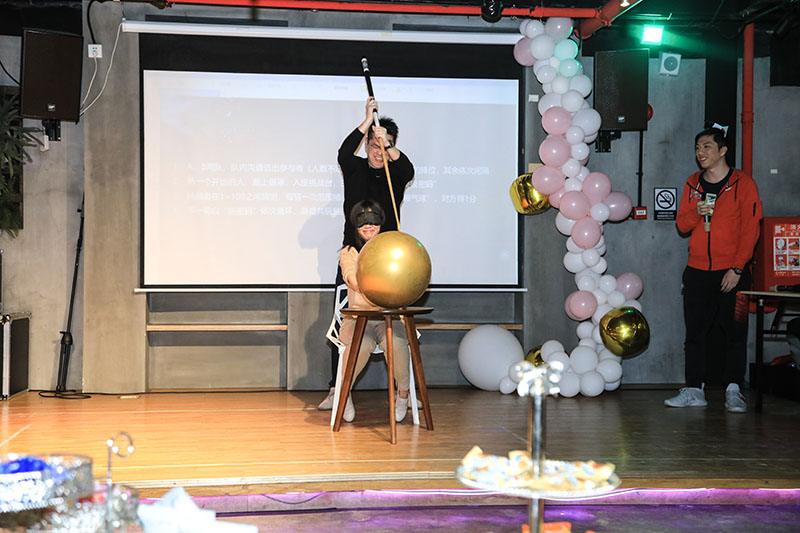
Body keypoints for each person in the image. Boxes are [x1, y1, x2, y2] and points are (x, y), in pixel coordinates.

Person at [318, 97, 415, 410]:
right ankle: (337, 389)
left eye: (382, 145)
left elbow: (408, 168)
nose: (377, 150)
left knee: (392, 328)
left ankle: (403, 393)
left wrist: (388, 144)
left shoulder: (395, 174)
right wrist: (366, 121)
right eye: (373, 145)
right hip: (354, 257)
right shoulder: (356, 168)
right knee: (344, 322)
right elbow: (344, 152)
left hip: (388, 261)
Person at [666, 127, 762, 413]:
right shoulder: (692, 183)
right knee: (694, 334)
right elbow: (682, 225)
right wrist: (695, 212)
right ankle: (695, 389)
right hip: (697, 271)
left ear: (723, 150)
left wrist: (737, 268)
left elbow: (751, 229)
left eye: (707, 146)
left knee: (735, 333)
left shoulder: (743, 183)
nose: (701, 152)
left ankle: (734, 390)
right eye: (698, 147)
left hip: (732, 272)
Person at [335, 200, 411, 423]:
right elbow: (351, 277)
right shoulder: (349, 252)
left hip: (389, 316)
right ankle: (345, 392)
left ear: (381, 222)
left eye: (373, 220)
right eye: (362, 221)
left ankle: (403, 394)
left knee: (396, 342)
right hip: (358, 318)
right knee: (360, 345)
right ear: (355, 224)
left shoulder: (391, 249)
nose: (368, 226)